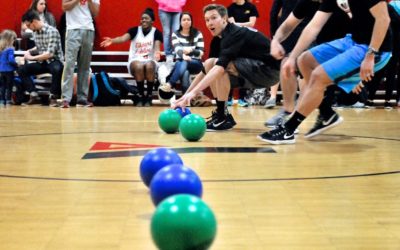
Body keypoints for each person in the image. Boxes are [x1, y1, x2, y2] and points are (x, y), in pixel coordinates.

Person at [258, 0, 392, 144]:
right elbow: (313, 27)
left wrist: (370, 55)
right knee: (304, 60)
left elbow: (384, 19)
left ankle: (288, 130)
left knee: (318, 76)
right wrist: (292, 57)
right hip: (352, 41)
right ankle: (326, 113)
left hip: (375, 48)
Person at [172, 4, 280, 131]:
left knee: (221, 67)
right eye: (207, 20)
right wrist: (186, 95)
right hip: (255, 70)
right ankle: (222, 115)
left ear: (224, 19)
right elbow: (206, 69)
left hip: (269, 71)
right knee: (211, 62)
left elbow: (219, 69)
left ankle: (222, 117)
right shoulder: (222, 36)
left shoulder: (234, 34)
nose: (209, 23)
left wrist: (194, 93)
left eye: (213, 18)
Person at [100, 8, 163, 107]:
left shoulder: (157, 33)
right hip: (135, 60)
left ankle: (149, 96)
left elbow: (157, 46)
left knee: (150, 65)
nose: (143, 20)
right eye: (142, 18)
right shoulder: (134, 30)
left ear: (152, 21)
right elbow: (122, 38)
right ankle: (141, 95)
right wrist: (113, 40)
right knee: (139, 66)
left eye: (146, 18)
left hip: (149, 60)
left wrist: (157, 53)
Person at [18, 10, 64, 106]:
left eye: (28, 25)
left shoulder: (52, 31)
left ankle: (54, 97)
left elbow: (50, 54)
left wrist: (31, 58)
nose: (28, 28)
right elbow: (39, 47)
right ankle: (33, 94)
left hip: (54, 60)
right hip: (42, 62)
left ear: (34, 21)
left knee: (57, 68)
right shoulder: (35, 32)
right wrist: (29, 51)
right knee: (22, 69)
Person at [61, 0, 100, 108]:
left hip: (88, 29)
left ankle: (82, 98)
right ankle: (66, 98)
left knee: (85, 66)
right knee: (69, 64)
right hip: (73, 29)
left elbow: (95, 12)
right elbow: (64, 7)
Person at [159, 12, 204, 95]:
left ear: (191, 21)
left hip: (196, 63)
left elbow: (200, 53)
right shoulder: (175, 34)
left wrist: (191, 50)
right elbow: (177, 49)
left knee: (184, 62)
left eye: (188, 20)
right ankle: (186, 98)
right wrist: (183, 56)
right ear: (180, 22)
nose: (186, 21)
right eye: (184, 20)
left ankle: (170, 84)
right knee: (185, 71)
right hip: (181, 62)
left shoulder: (198, 34)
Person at [226, 0, 259, 107]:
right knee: (230, 67)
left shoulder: (251, 7)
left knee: (245, 68)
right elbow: (232, 24)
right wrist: (245, 24)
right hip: (233, 40)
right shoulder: (230, 8)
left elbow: (252, 24)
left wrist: (238, 24)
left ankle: (242, 98)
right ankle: (229, 97)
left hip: (247, 41)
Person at [0, 30, 18, 107]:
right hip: (9, 70)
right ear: (10, 39)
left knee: (3, 86)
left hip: (2, 70)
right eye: (14, 39)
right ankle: (8, 101)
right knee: (9, 86)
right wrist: (17, 64)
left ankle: (1, 101)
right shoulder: (10, 49)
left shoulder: (1, 49)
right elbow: (11, 60)